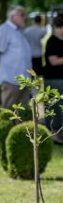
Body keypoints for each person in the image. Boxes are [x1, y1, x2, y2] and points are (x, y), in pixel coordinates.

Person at [0, 6, 32, 108]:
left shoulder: (20, 31)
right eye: (22, 15)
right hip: (10, 79)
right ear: (12, 16)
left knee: (23, 113)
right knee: (9, 111)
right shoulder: (3, 30)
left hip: (24, 80)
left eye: (24, 15)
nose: (24, 17)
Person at [44, 15, 63, 145]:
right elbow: (53, 61)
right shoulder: (52, 41)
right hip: (54, 80)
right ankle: (54, 135)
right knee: (55, 108)